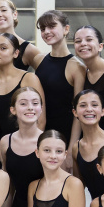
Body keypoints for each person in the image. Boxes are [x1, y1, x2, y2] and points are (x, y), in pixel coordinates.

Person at [30, 10, 85, 143]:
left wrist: (72, 146)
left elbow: (78, 111)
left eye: (52, 26)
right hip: (39, 130)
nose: (46, 31)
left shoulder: (77, 67)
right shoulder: (38, 60)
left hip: (64, 133)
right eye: (43, 29)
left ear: (66, 29)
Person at [0, 87, 44, 207]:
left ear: (41, 108)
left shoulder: (48, 142)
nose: (30, 107)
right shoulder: (5, 142)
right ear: (13, 109)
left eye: (35, 103)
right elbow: (8, 185)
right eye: (24, 103)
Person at [0, 33, 45, 136]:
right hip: (1, 147)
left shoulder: (29, 79)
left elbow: (40, 121)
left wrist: (28, 147)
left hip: (30, 145)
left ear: (16, 53)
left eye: (3, 48)